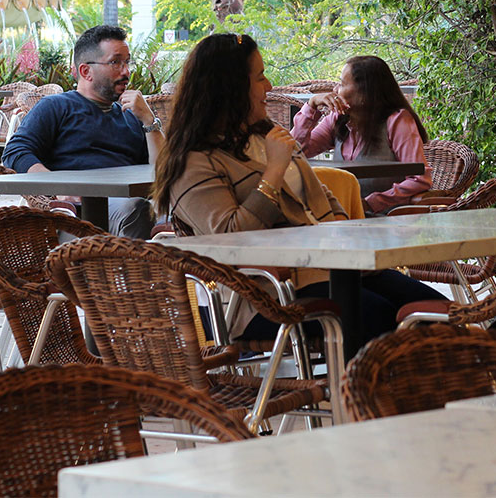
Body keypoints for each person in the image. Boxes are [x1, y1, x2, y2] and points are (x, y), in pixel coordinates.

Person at [152, 34, 445, 342]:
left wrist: (345, 242)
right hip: (261, 296)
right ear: (230, 88)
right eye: (260, 78)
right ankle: (359, 388)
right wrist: (274, 172)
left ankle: (436, 387)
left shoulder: (268, 134)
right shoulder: (192, 160)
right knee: (383, 319)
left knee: (434, 312)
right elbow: (230, 236)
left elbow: (323, 195)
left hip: (331, 270)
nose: (268, 87)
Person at [2, 25, 163, 238]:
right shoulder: (56, 106)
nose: (126, 72)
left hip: (129, 202)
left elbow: (163, 171)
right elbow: (15, 152)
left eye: (127, 62)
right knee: (137, 210)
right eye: (116, 62)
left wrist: (149, 120)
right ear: (86, 71)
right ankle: (121, 271)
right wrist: (58, 185)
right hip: (80, 210)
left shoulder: (131, 115)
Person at [291, 55, 432, 215]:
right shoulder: (337, 120)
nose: (335, 90)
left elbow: (420, 179)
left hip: (387, 222)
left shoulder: (397, 121)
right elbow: (294, 152)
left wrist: (370, 203)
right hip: (343, 219)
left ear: (365, 93)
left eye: (342, 84)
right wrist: (311, 105)